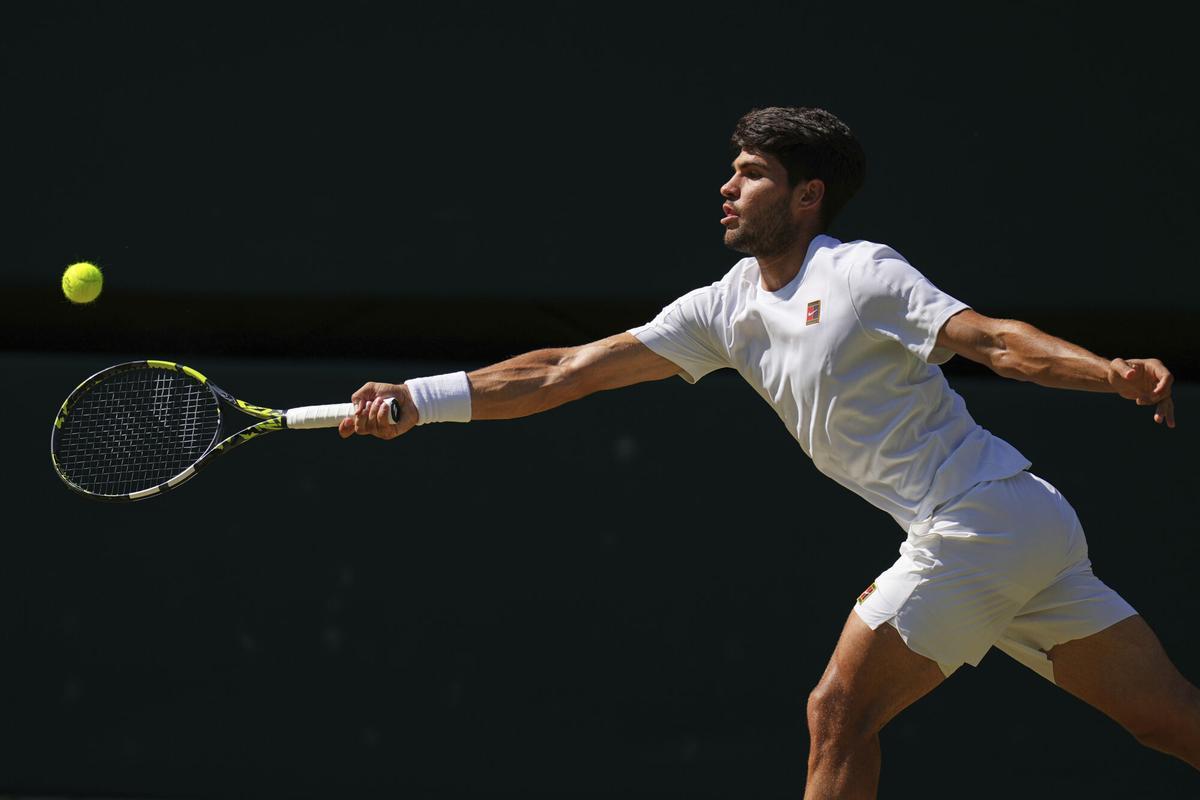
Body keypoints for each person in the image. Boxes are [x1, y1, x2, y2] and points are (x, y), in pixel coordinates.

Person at [338, 106, 1194, 798]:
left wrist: (1108, 373)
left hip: (981, 520)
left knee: (837, 712)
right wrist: (420, 401)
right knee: (1166, 723)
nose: (727, 187)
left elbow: (996, 341)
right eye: (733, 169)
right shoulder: (723, 308)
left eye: (751, 174)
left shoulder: (862, 273)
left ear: (807, 195)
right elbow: (564, 370)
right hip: (1020, 521)